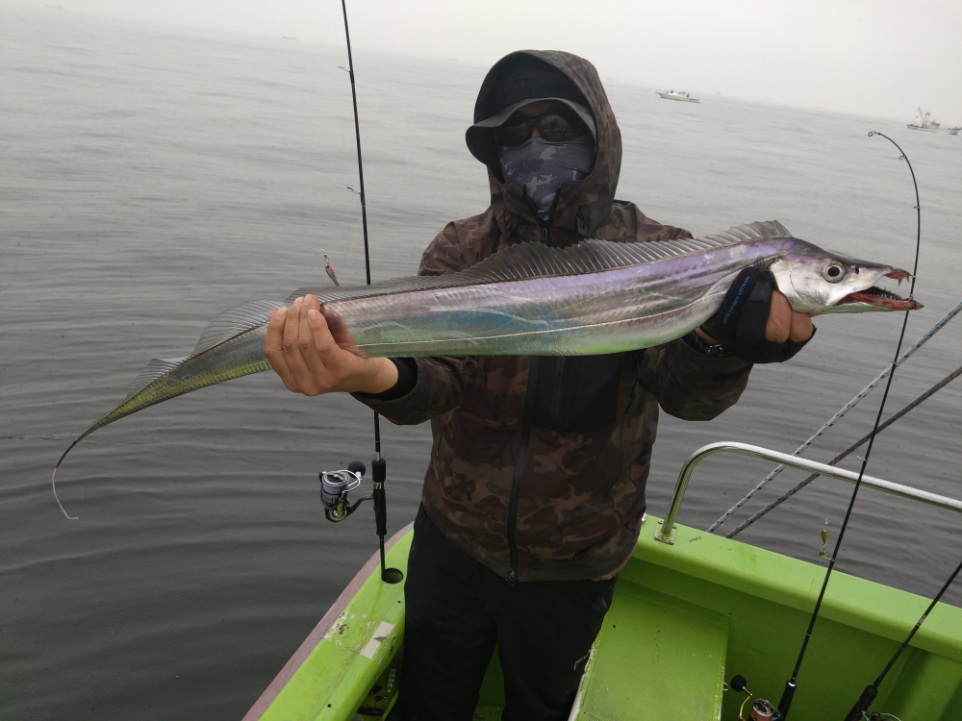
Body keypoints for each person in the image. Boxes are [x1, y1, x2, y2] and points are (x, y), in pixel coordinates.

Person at [264, 50, 814, 721]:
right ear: (493, 151)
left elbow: (687, 397)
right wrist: (369, 373)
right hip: (454, 538)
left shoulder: (664, 254)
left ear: (598, 136)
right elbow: (437, 376)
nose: (537, 148)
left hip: (577, 561)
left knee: (540, 708)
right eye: (515, 133)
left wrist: (722, 347)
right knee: (430, 700)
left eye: (557, 128)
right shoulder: (463, 248)